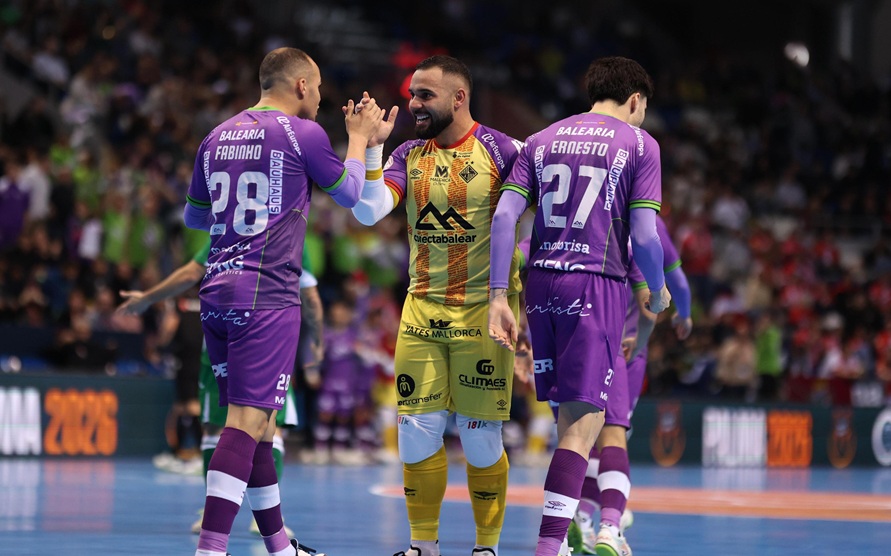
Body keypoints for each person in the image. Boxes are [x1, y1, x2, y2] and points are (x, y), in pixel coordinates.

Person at [182, 46, 383, 556]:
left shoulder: (216, 136)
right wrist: (360, 138)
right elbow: (352, 193)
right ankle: (210, 549)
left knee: (262, 425)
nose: (320, 98)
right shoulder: (303, 133)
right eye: (318, 88)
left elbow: (195, 217)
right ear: (300, 85)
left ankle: (279, 547)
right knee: (245, 424)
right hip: (266, 295)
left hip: (217, 291)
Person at [488, 56, 671, 556]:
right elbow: (645, 236)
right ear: (635, 100)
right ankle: (550, 548)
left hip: (540, 285)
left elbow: (504, 219)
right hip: (595, 285)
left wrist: (498, 295)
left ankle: (562, 539)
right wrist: (657, 290)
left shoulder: (540, 139)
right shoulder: (639, 143)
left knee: (565, 423)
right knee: (582, 427)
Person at [349, 55, 524, 556]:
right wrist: (372, 147)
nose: (413, 104)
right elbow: (368, 211)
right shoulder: (408, 153)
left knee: (479, 435)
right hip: (422, 308)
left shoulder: (505, 151)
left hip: (482, 313)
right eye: (412, 94)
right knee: (415, 431)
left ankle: (486, 548)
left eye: (425, 94)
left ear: (459, 98)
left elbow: (533, 222)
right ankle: (422, 547)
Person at [115, 238, 324, 537]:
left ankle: (211, 517)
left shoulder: (226, 224)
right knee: (270, 426)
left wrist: (148, 297)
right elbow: (311, 295)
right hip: (270, 332)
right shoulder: (292, 230)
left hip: (224, 328)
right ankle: (265, 521)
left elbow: (191, 272)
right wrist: (318, 340)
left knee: (216, 425)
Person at [570, 214, 693, 555]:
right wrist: (684, 316)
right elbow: (677, 283)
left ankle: (580, 516)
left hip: (572, 339)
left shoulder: (583, 215)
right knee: (613, 436)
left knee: (579, 434)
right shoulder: (648, 225)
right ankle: (607, 525)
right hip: (626, 346)